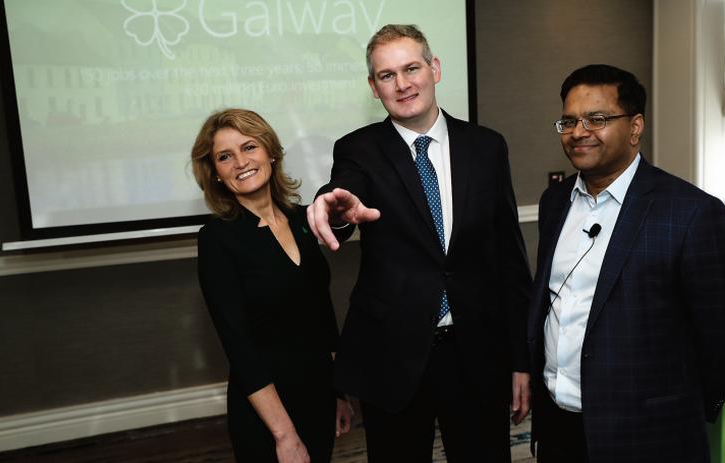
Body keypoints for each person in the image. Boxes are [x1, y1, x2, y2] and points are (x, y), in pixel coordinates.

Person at [306, 25, 533, 462]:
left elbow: (510, 256)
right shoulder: (358, 150)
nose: (403, 83)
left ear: (435, 68)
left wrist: (521, 359)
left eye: (411, 68)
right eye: (387, 75)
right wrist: (334, 210)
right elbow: (343, 197)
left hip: (477, 351)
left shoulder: (487, 147)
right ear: (373, 88)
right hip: (393, 353)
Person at [527, 64, 725, 462]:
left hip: (650, 435)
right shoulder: (554, 202)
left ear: (635, 127)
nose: (579, 131)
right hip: (559, 426)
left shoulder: (691, 213)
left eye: (597, 119)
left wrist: (677, 408)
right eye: (569, 121)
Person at [192, 109, 353, 463]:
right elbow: (239, 346)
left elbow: (322, 316)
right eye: (224, 156)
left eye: (249, 147)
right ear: (215, 173)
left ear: (271, 152)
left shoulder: (304, 219)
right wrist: (285, 435)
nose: (240, 162)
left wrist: (337, 393)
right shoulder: (217, 240)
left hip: (318, 395)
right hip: (267, 412)